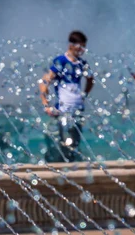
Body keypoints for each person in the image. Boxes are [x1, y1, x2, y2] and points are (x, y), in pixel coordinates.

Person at [39, 31, 94, 162]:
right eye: (79, 46)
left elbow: (91, 79)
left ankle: (72, 167)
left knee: (75, 142)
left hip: (78, 110)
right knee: (65, 142)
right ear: (71, 45)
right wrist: (46, 103)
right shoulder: (61, 61)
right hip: (63, 110)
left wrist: (84, 95)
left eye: (84, 47)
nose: (82, 50)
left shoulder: (82, 63)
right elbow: (45, 81)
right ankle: (61, 167)